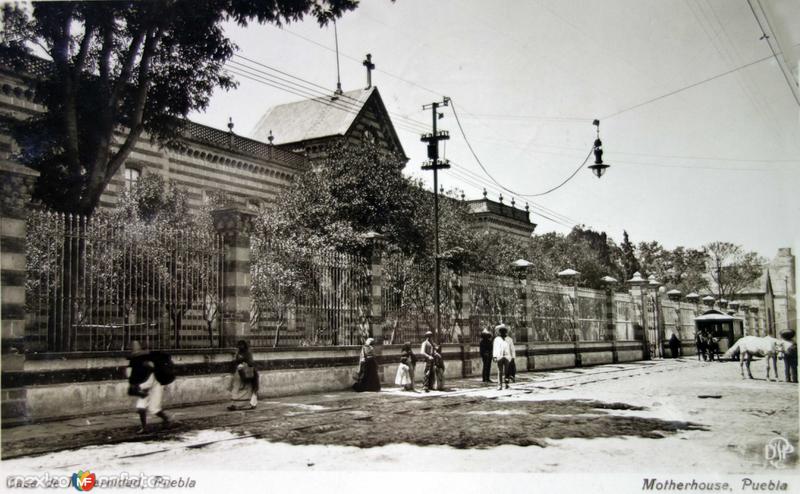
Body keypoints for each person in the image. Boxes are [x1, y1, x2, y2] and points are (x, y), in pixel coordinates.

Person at [126, 341, 169, 434]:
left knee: (154, 408)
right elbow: (132, 377)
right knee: (141, 407)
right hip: (144, 387)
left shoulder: (148, 365)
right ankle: (144, 428)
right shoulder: (134, 366)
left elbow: (149, 381)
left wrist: (139, 387)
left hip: (155, 386)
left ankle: (166, 420)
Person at [228, 340, 258, 410]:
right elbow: (235, 361)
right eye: (239, 345)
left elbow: (251, 363)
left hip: (246, 374)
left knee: (246, 390)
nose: (240, 347)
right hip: (239, 373)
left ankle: (248, 404)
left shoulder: (248, 353)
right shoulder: (238, 353)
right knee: (236, 388)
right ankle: (235, 404)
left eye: (241, 345)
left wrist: (244, 363)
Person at [492, 324, 512, 390]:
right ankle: (499, 385)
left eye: (504, 331)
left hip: (507, 357)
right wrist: (494, 356)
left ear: (506, 332)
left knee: (507, 371)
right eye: (501, 331)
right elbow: (495, 348)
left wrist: (512, 357)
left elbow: (512, 348)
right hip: (499, 357)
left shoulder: (509, 339)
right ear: (499, 332)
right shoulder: (496, 339)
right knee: (500, 371)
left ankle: (507, 384)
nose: (503, 333)